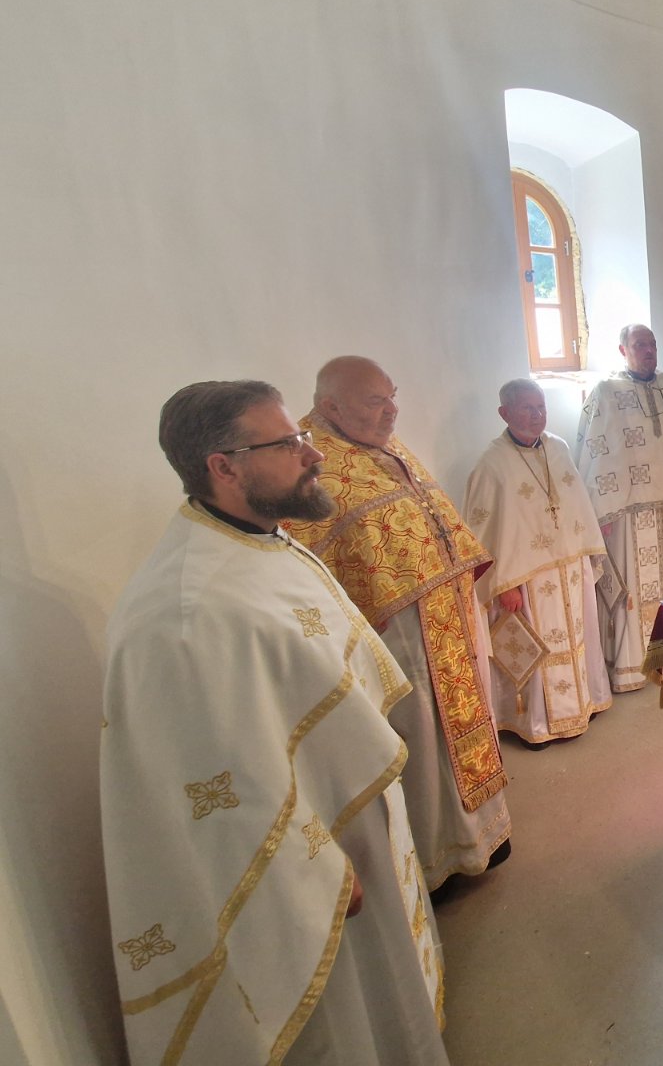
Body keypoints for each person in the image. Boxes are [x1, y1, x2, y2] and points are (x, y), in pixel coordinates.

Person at [102, 381, 446, 1065]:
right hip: (310, 869)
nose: (311, 454)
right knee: (346, 1025)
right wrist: (316, 874)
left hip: (349, 815)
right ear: (223, 467)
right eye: (288, 443)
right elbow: (217, 792)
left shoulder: (259, 540)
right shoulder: (185, 615)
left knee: (388, 1001)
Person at [285, 356, 511, 890]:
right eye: (376, 401)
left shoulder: (386, 444)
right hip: (396, 639)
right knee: (421, 739)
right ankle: (438, 859)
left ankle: (484, 833)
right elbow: (312, 567)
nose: (391, 410)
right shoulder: (311, 465)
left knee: (460, 726)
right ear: (330, 406)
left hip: (444, 619)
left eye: (393, 396)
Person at [464, 379, 616, 743]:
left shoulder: (558, 448)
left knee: (579, 636)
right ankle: (540, 725)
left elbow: (576, 506)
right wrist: (503, 584)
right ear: (505, 413)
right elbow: (483, 531)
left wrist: (586, 554)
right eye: (527, 408)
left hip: (570, 568)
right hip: (527, 579)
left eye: (541, 407)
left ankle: (584, 702)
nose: (537, 415)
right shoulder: (492, 464)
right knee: (538, 647)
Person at [575, 324, 663, 684]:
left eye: (652, 344)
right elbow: (596, 450)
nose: (648, 350)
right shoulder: (606, 391)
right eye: (639, 345)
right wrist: (600, 512)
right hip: (628, 512)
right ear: (623, 350)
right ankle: (633, 666)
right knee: (633, 586)